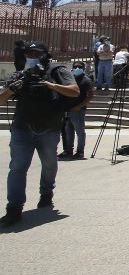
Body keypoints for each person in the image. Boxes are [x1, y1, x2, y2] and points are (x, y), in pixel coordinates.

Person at [0, 41, 80, 227]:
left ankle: (46, 193)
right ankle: (14, 208)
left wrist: (50, 85)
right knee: (18, 167)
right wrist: (13, 88)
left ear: (45, 54)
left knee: (49, 164)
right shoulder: (20, 74)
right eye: (29, 53)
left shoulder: (56, 70)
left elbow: (74, 91)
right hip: (22, 127)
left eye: (36, 53)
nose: (32, 56)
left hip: (49, 128)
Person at [58, 61, 95, 160]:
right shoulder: (70, 78)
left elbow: (90, 95)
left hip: (78, 110)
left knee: (79, 131)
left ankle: (80, 151)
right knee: (68, 131)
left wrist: (79, 106)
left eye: (79, 67)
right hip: (68, 109)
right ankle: (68, 150)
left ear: (83, 68)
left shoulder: (86, 80)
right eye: (75, 66)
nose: (77, 68)